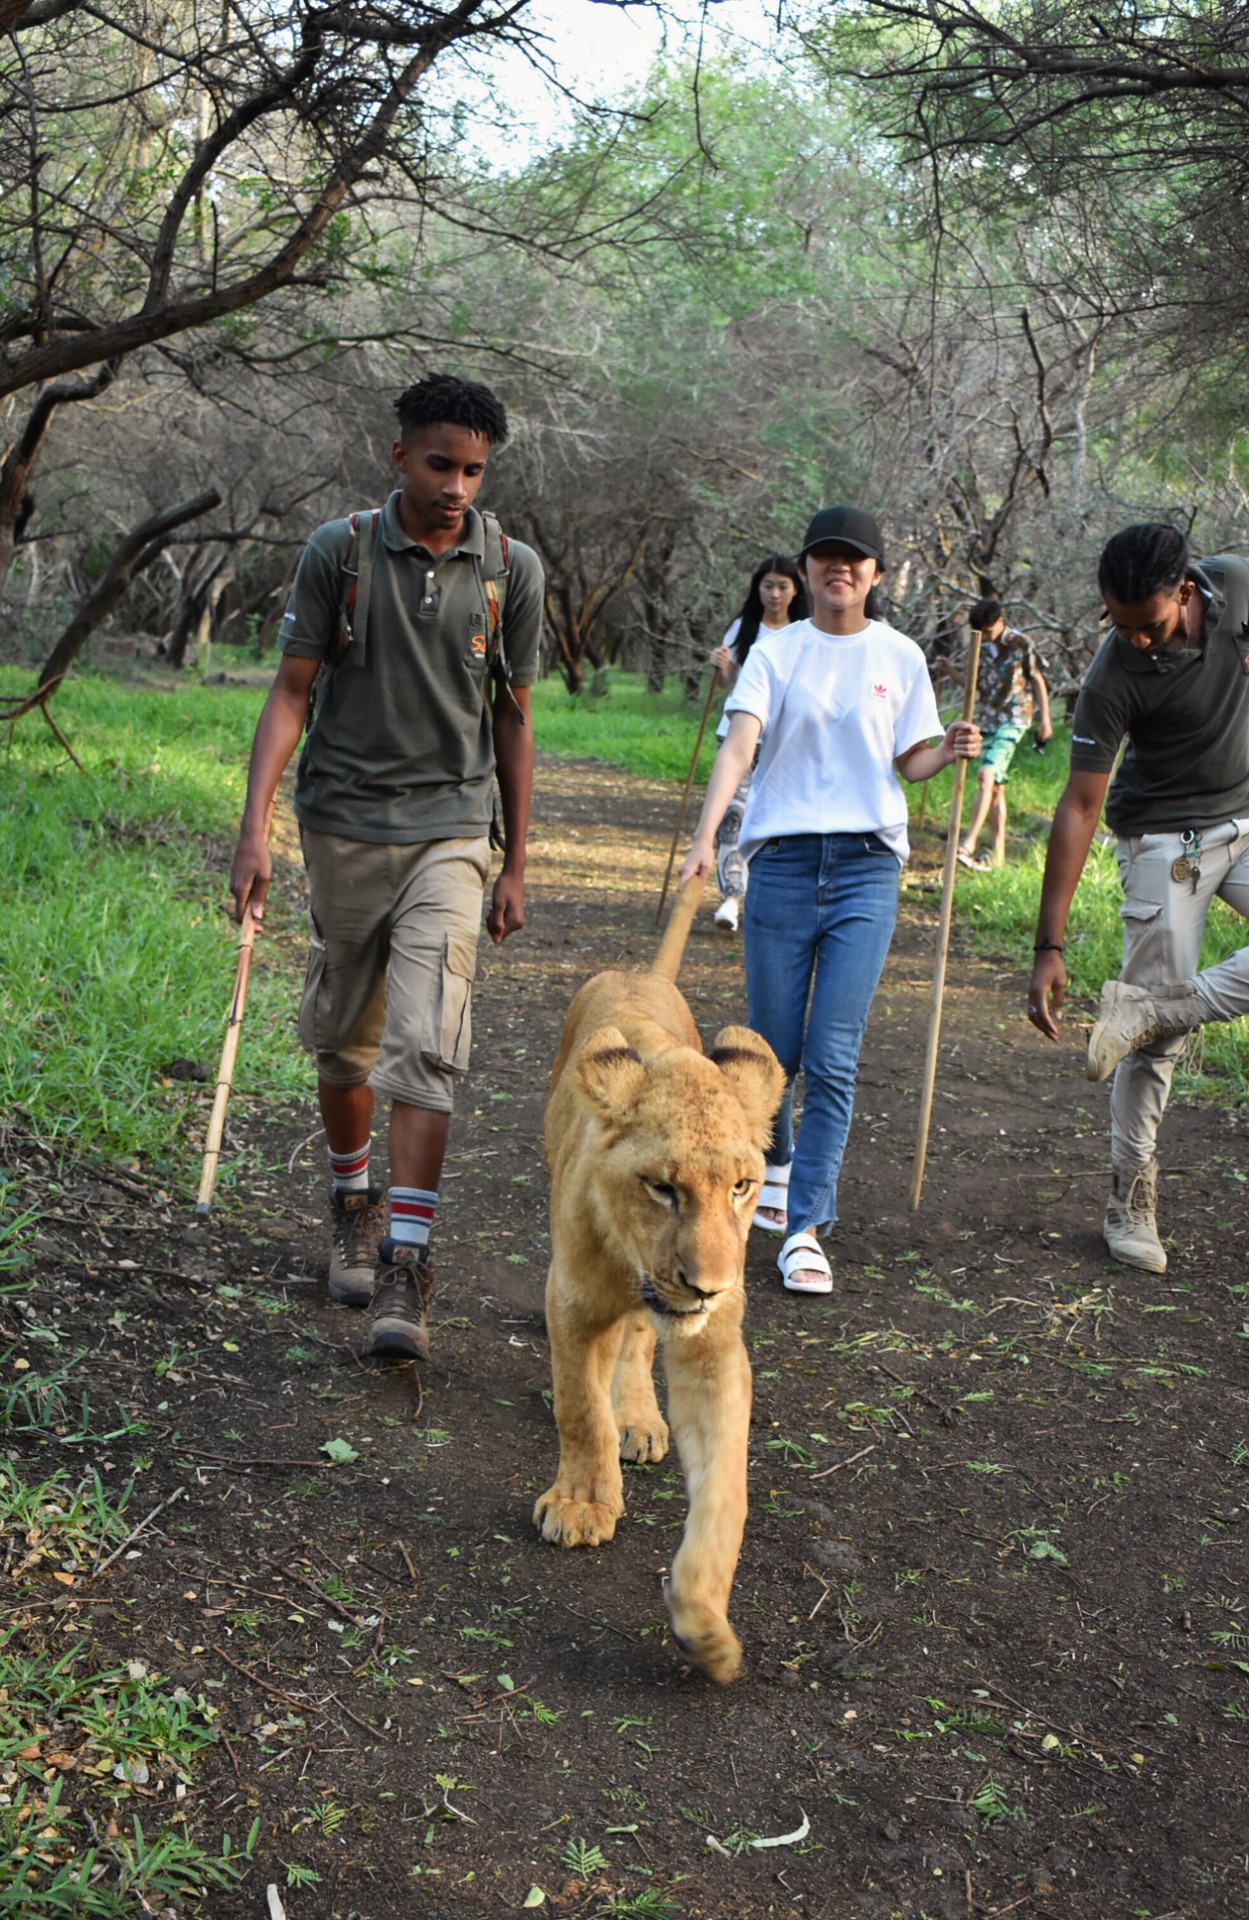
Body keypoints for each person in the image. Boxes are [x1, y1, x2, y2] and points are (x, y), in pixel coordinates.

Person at [228, 372, 543, 1359]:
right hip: (342, 828)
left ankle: (408, 1262)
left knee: (427, 1043)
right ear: (400, 455)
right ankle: (351, 1201)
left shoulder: (509, 568)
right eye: (442, 463)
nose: (457, 485)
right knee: (345, 1044)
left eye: (475, 470)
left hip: (451, 834)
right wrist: (254, 826)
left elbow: (515, 717)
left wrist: (516, 859)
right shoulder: (341, 552)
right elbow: (290, 693)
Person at [679, 505, 981, 1294]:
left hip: (866, 865)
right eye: (825, 558)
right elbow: (740, 743)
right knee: (770, 1054)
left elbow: (907, 762)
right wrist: (707, 835)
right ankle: (767, 1188)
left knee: (833, 1054)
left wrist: (945, 751)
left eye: (854, 560)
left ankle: (806, 1225)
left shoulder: (900, 655)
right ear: (807, 569)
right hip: (779, 861)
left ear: (876, 575)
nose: (837, 570)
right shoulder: (776, 652)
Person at [1027, 523, 1249, 1276]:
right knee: (1154, 1054)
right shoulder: (1111, 675)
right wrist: (1047, 946)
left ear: (1186, 589)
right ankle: (1130, 1198)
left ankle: (1153, 1005)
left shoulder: (1237, 588)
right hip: (1165, 844)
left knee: (1151, 1017)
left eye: (1147, 625)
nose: (1136, 641)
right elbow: (1079, 807)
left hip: (1244, 821)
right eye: (1118, 625)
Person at [708, 555, 807, 931]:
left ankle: (773, 897)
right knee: (731, 813)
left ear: (796, 589)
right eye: (768, 585)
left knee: (775, 820)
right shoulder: (742, 627)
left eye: (783, 586)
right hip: (736, 736)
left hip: (785, 741)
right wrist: (721, 666)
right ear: (758, 588)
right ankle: (731, 896)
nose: (775, 594)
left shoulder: (804, 632)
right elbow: (725, 682)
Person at [957, 597, 1052, 871]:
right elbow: (972, 685)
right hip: (989, 720)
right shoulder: (980, 647)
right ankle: (997, 855)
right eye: (980, 633)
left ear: (1000, 622)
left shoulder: (1020, 643)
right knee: (996, 787)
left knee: (986, 775)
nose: (985, 637)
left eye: (988, 631)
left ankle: (968, 843)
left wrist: (1044, 719)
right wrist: (948, 670)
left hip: (1015, 718)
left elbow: (1036, 678)